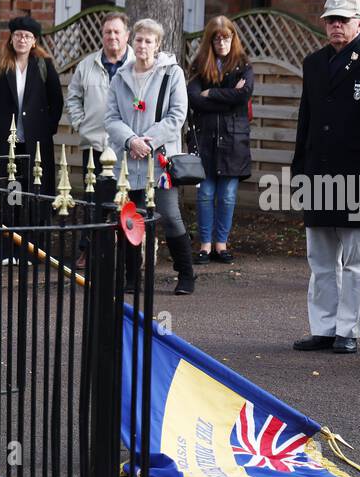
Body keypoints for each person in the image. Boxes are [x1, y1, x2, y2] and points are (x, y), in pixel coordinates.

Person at [291, 0, 360, 355]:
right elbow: (306, 120)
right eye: (330, 19)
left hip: (359, 176)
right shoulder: (314, 63)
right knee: (320, 259)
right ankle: (323, 327)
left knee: (354, 260)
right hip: (319, 174)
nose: (336, 25)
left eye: (343, 19)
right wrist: (298, 172)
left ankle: (348, 328)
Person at [105, 17, 196, 293]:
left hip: (160, 160)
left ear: (157, 45)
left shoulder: (172, 74)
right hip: (129, 160)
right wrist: (131, 140)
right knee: (130, 217)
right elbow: (111, 118)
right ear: (132, 41)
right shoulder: (121, 77)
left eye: (149, 41)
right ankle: (132, 277)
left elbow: (177, 115)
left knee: (169, 214)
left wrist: (149, 141)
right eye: (139, 40)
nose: (143, 45)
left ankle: (187, 275)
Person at [0, 15, 64, 262]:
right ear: (11, 38)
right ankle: (6, 250)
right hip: (5, 141)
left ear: (34, 41)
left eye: (27, 36)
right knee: (7, 192)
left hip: (36, 142)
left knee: (33, 194)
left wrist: (47, 128)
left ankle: (31, 250)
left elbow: (56, 102)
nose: (22, 40)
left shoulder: (44, 66)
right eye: (18, 35)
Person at [186, 15, 254, 264]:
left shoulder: (244, 64)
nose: (222, 43)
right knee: (205, 193)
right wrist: (229, 95)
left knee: (227, 195)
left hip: (234, 140)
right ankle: (205, 245)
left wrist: (212, 92)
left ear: (233, 38)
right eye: (217, 39)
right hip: (204, 139)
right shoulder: (199, 65)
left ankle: (221, 244)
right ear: (210, 41)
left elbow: (244, 95)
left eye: (226, 38)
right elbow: (194, 99)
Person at [65, 11, 133, 170]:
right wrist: (81, 125)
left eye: (117, 32)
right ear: (102, 35)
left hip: (129, 147)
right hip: (93, 146)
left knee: (125, 195)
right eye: (108, 32)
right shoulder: (86, 65)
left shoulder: (137, 65)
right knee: (93, 194)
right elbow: (73, 99)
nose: (112, 36)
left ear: (127, 35)